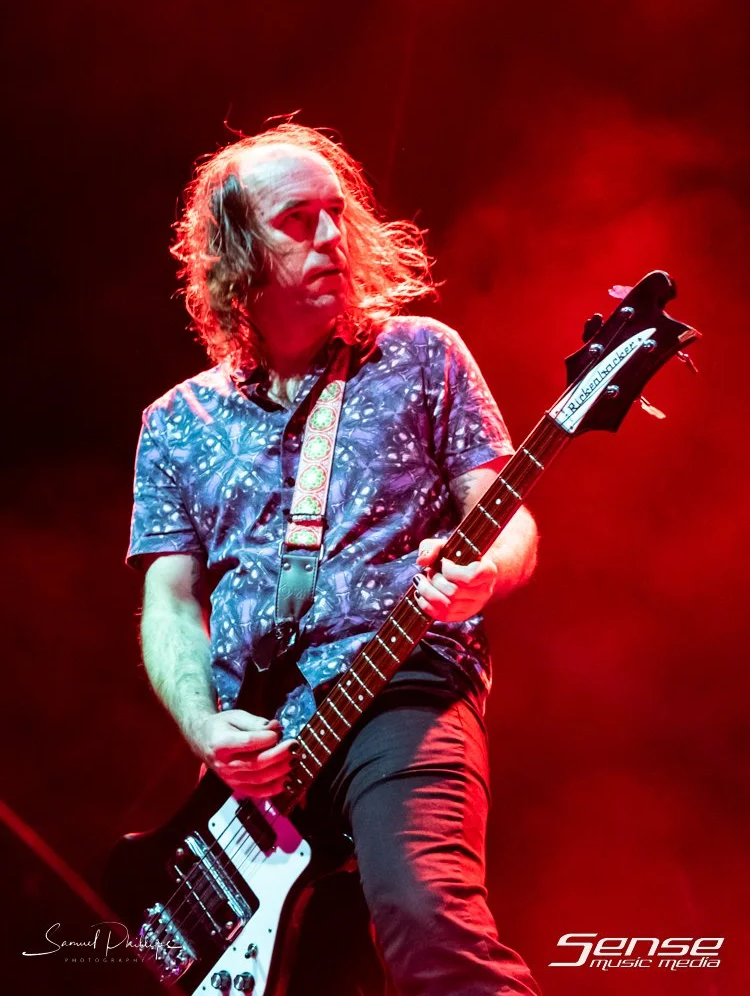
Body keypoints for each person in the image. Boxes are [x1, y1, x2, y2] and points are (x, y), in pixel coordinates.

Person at [127, 122, 542, 995]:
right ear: (236, 252)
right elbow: (168, 601)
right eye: (297, 219)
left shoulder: (423, 355)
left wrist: (485, 573)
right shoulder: (174, 423)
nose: (330, 236)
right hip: (258, 760)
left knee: (430, 924)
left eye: (336, 213)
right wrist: (204, 728)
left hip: (402, 690)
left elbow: (508, 520)